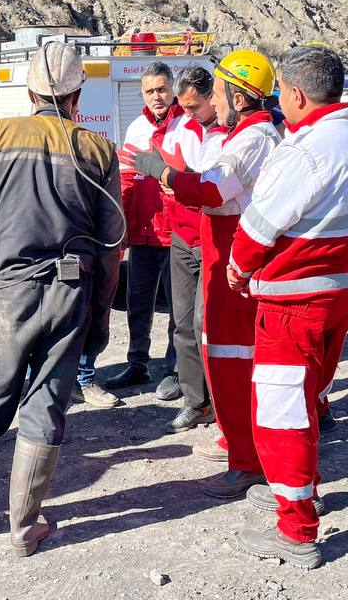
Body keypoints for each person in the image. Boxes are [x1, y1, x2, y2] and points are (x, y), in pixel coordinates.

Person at [0, 41, 122, 556]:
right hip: (70, 293)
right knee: (45, 406)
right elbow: (111, 246)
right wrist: (101, 316)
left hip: (9, 291)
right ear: (76, 94)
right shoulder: (98, 149)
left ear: (30, 91)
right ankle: (24, 529)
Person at [226, 45, 348, 569]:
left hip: (294, 299)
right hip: (342, 289)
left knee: (280, 411)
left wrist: (238, 267)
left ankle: (296, 529)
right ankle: (302, 488)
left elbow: (255, 229)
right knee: (308, 396)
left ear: (295, 94)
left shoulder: (306, 152)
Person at [135, 51, 281, 499]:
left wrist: (163, 172)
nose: (212, 103)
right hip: (220, 242)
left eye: (217, 94)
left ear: (238, 98)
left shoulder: (248, 139)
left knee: (232, 354)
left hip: (228, 246)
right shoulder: (250, 133)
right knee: (225, 349)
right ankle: (238, 438)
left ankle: (246, 458)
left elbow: (211, 189)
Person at [134, 66, 223, 434]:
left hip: (214, 237)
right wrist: (170, 178)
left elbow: (208, 186)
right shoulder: (180, 128)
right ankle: (195, 401)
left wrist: (174, 178)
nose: (188, 112)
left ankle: (223, 399)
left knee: (208, 324)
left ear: (212, 98)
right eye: (183, 106)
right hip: (182, 236)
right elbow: (165, 175)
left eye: (194, 105)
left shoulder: (227, 134)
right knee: (183, 323)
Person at [107, 61, 181, 396]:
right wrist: (122, 229)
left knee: (179, 309)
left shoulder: (187, 126)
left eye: (162, 89)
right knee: (139, 305)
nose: (157, 96)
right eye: (150, 91)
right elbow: (125, 183)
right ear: (142, 93)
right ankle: (137, 365)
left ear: (173, 87)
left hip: (176, 235)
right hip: (143, 235)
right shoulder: (136, 127)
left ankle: (176, 371)